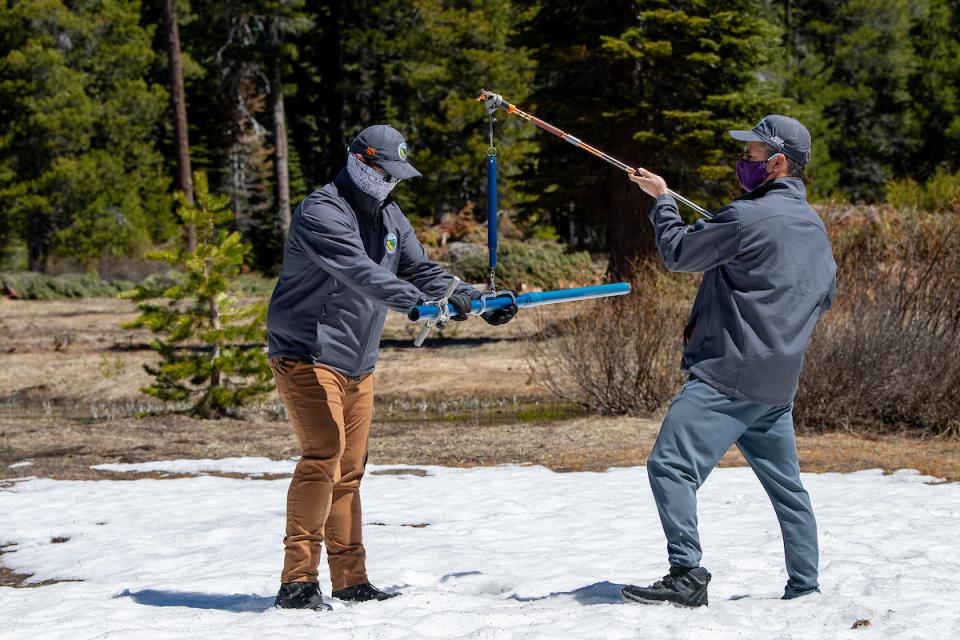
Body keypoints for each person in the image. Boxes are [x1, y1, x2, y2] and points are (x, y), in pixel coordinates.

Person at [266, 124, 517, 611]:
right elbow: (360, 273)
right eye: (386, 172)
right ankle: (297, 582)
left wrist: (473, 297)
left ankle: (350, 580)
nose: (392, 182)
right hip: (306, 352)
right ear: (359, 161)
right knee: (324, 454)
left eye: (398, 175)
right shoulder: (322, 210)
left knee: (350, 470)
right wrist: (419, 306)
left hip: (358, 361)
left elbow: (420, 269)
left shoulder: (390, 214)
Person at [621, 115, 836, 607]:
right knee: (788, 489)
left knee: (670, 465)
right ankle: (805, 585)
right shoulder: (815, 228)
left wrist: (662, 201)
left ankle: (686, 574)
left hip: (727, 376)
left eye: (753, 153)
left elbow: (677, 254)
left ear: (778, 163)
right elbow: (824, 297)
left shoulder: (743, 217)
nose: (744, 161)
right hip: (777, 384)